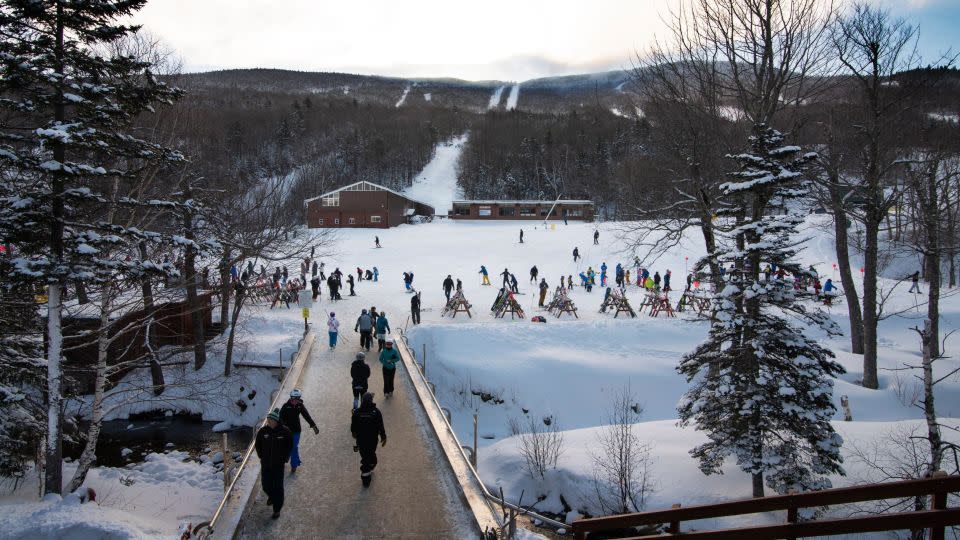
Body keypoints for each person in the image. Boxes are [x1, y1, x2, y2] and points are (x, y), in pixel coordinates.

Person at [255, 409, 293, 519]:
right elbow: (258, 445)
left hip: (278, 465)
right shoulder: (263, 431)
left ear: (276, 421)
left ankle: (277, 510)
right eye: (268, 419)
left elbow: (290, 445)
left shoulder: (285, 431)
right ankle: (271, 497)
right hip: (266, 465)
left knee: (278, 487)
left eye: (271, 420)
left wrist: (285, 458)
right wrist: (261, 456)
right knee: (265, 485)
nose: (268, 421)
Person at [351, 392, 386, 487]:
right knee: (370, 454)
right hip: (372, 440)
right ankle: (367, 472)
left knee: (364, 456)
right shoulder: (376, 412)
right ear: (371, 401)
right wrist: (383, 436)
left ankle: (366, 472)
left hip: (361, 440)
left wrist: (355, 435)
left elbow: (353, 427)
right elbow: (380, 426)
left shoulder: (357, 412)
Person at [279, 389, 318, 473]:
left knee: (294, 447)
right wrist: (282, 426)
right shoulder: (285, 406)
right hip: (286, 431)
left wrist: (313, 425)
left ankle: (294, 465)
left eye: (297, 399)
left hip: (296, 431)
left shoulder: (300, 405)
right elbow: (280, 418)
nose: (295, 402)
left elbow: (306, 416)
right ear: (291, 398)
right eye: (293, 399)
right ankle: (283, 460)